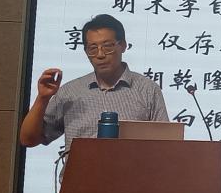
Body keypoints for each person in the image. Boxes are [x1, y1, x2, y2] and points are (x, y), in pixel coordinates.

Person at [19, 13, 169, 150]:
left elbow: (166, 144)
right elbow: (28, 139)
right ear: (86, 51)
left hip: (131, 171)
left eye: (108, 46)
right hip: (79, 172)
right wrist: (42, 98)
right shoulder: (70, 92)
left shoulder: (147, 89)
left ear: (123, 45)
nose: (100, 54)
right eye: (92, 48)